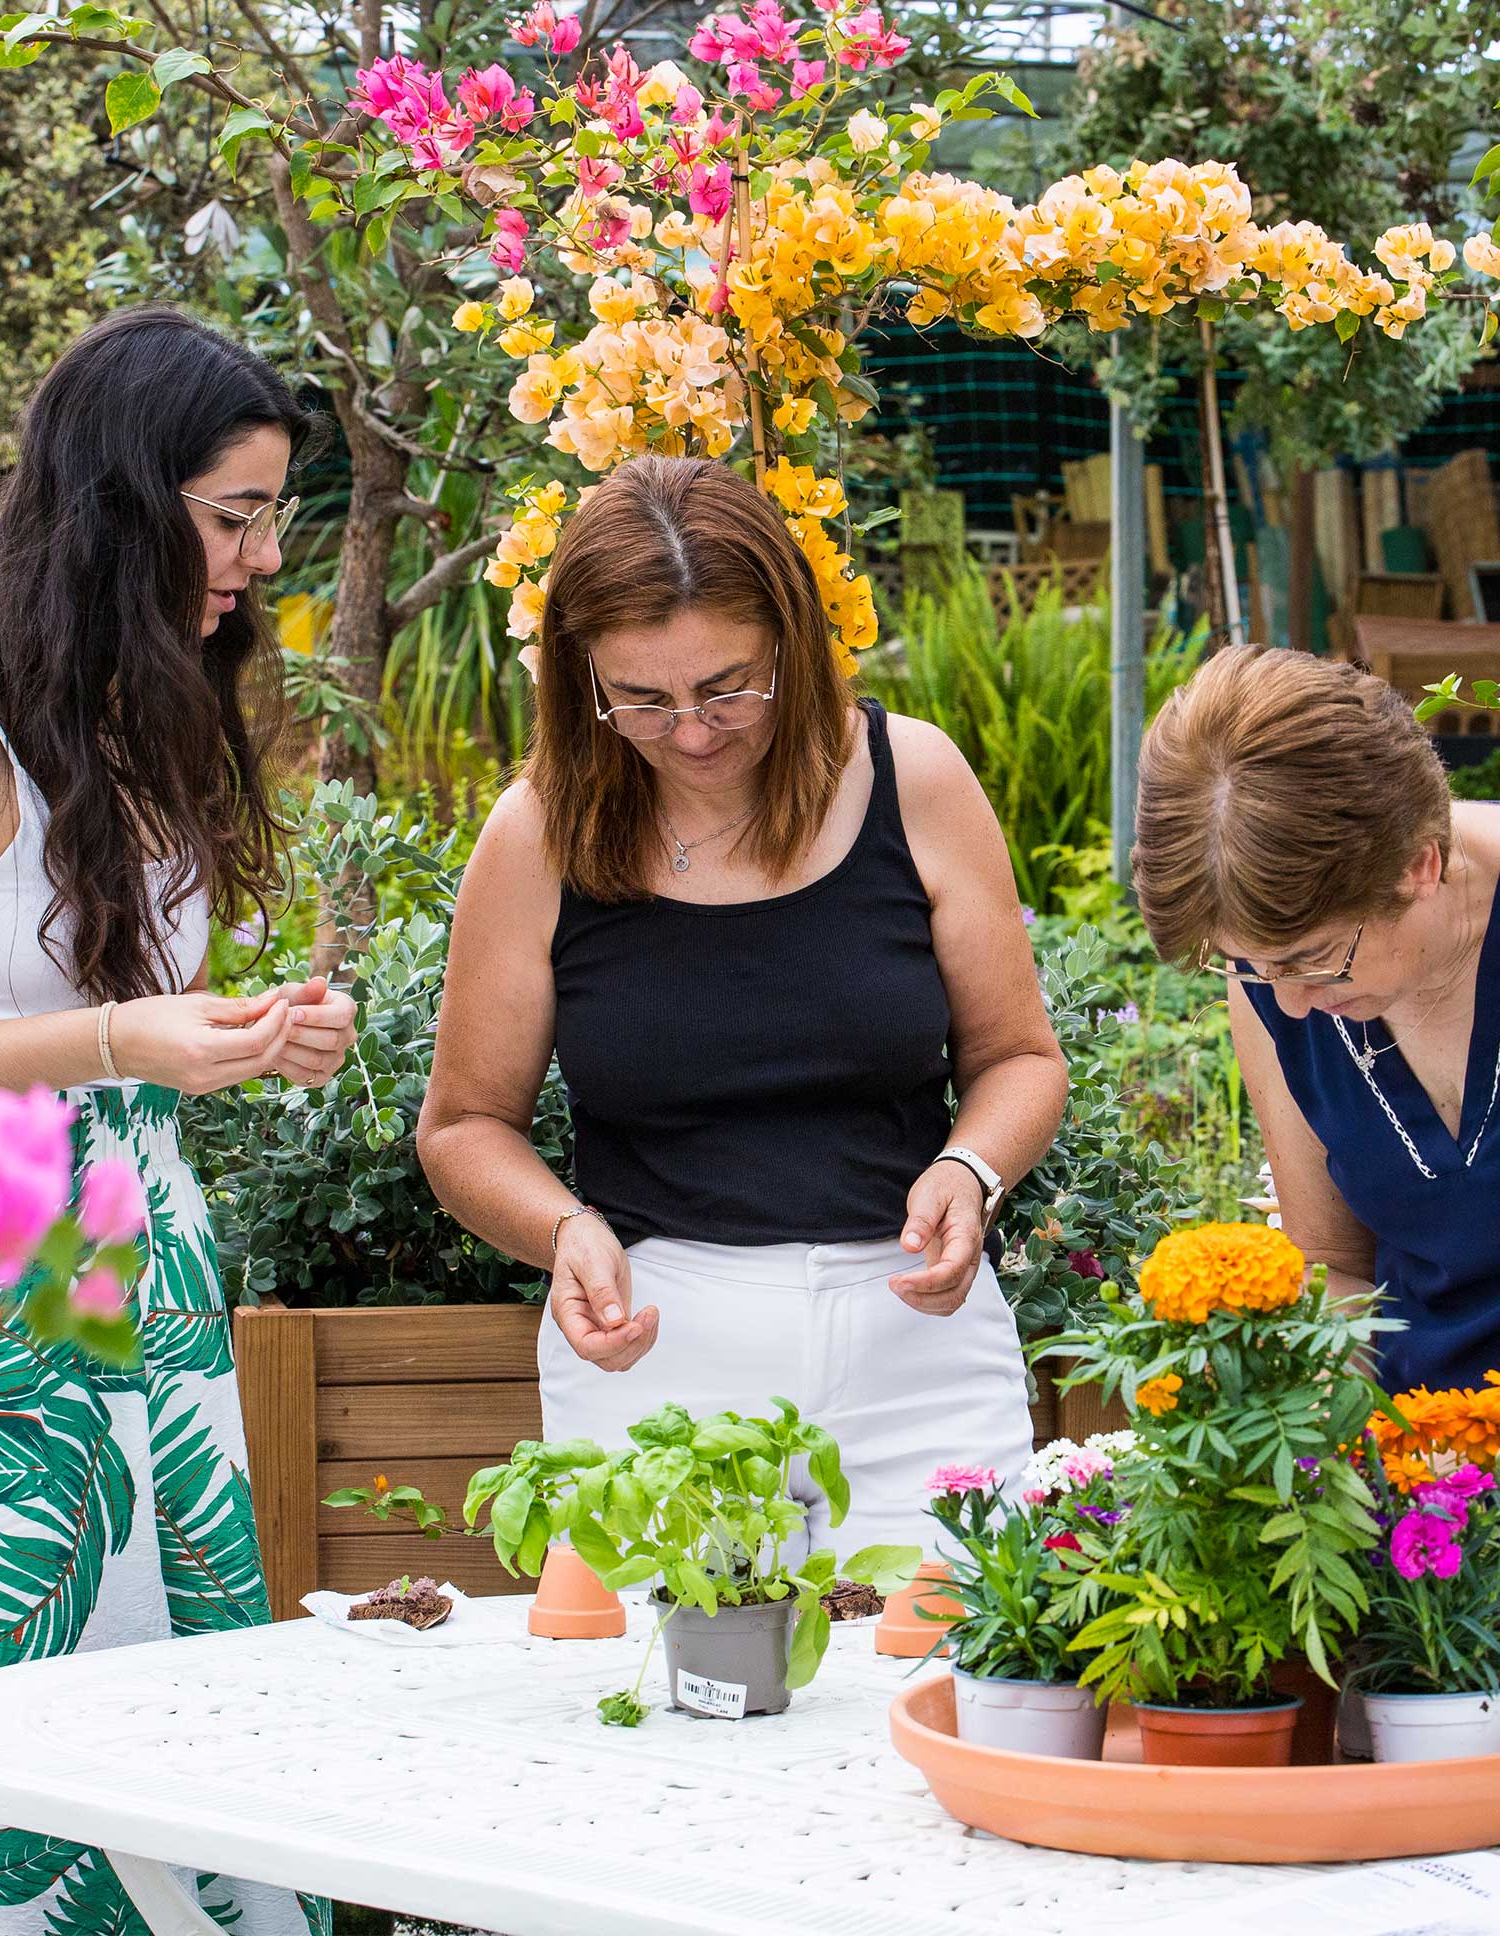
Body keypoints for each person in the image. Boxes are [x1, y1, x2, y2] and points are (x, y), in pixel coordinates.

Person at [0, 305, 354, 1936]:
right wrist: (115, 1037)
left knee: (161, 1663)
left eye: (269, 514)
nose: (259, 552)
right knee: (7, 1667)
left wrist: (253, 1039)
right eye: (233, 514)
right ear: (120, 502)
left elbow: (127, 1032)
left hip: (141, 1254)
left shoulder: (144, 714)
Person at [418, 455, 1067, 1553]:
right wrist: (563, 1227)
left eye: (729, 686)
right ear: (581, 681)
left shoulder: (917, 778)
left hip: (918, 1344)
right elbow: (463, 1123)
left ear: (794, 641)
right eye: (641, 698)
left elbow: (1018, 1055)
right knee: (663, 1704)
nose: (693, 731)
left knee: (942, 1691)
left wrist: (971, 1168)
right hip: (655, 1356)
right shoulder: (537, 834)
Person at [1132, 642, 1500, 1394]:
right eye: (1248, 967)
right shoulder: (1276, 980)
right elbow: (1336, 1270)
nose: (1292, 1004)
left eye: (1313, 958)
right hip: (1427, 1461)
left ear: (1418, 864)